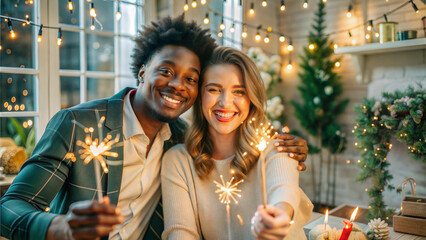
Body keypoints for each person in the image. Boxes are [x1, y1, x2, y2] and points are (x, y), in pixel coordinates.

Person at [0, 16, 308, 240]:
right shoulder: (78, 125)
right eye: (166, 71)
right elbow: (9, 208)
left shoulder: (181, 143)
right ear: (142, 72)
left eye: (191, 79)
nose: (177, 85)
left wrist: (289, 152)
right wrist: (60, 227)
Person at [161, 47, 313, 240]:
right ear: (200, 96)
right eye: (214, 89)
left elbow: (283, 192)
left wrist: (280, 217)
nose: (225, 102)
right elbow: (180, 233)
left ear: (251, 98)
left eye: (239, 92)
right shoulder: (178, 160)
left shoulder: (277, 149)